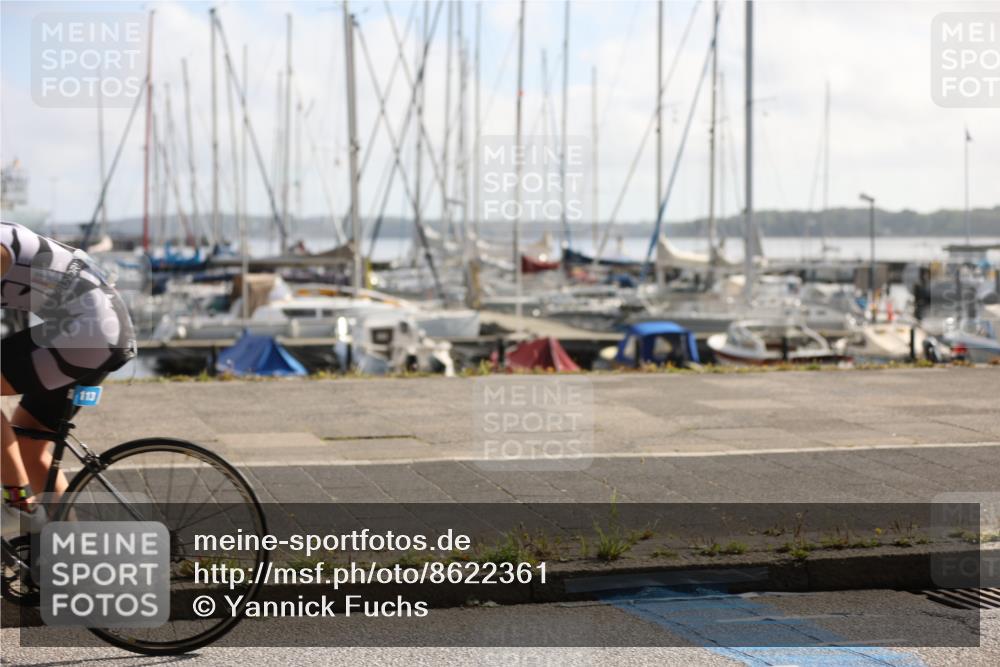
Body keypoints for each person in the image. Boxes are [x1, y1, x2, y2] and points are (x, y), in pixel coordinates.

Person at [1, 221, 135, 538]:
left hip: (89, 330)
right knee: (29, 446)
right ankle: (74, 563)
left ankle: (19, 506)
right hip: (99, 327)